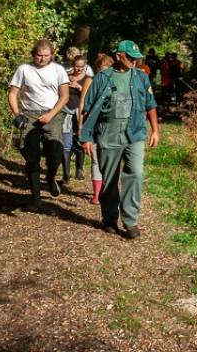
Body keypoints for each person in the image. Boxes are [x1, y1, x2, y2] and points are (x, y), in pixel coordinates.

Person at [80, 40, 159, 238]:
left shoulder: (141, 78)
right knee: (109, 179)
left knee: (136, 173)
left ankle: (130, 221)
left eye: (136, 58)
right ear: (118, 56)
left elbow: (150, 105)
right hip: (108, 133)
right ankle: (109, 218)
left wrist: (155, 130)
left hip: (135, 133)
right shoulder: (102, 78)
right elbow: (87, 109)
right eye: (130, 57)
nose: (134, 61)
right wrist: (86, 137)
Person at [8, 39, 69, 208]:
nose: (42, 59)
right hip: (30, 115)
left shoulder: (58, 70)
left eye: (46, 56)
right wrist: (17, 114)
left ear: (52, 55)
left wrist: (51, 114)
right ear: (33, 55)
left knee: (55, 153)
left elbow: (65, 96)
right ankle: (36, 198)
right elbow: (13, 93)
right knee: (31, 156)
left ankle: (50, 179)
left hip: (53, 114)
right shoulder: (24, 69)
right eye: (39, 56)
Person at [79, 53, 113, 205]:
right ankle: (97, 194)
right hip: (93, 124)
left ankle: (108, 188)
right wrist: (82, 126)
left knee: (111, 160)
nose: (104, 73)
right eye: (101, 70)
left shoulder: (117, 82)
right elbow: (83, 105)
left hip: (111, 126)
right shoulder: (91, 81)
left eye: (107, 69)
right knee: (95, 159)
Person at [60, 54, 89, 186]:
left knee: (79, 141)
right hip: (66, 112)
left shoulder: (87, 79)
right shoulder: (65, 77)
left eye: (82, 67)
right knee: (66, 144)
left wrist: (78, 87)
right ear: (73, 65)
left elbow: (89, 96)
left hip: (80, 113)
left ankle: (79, 169)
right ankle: (66, 175)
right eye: (77, 66)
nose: (79, 69)